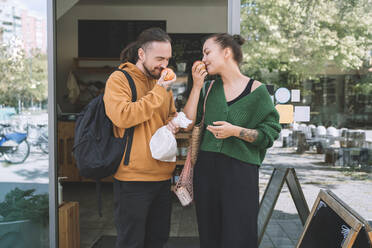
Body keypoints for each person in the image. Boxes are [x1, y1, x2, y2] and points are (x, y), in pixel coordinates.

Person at [183, 33, 281, 247]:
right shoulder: (208, 88)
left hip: (240, 172)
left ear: (226, 52)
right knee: (209, 234)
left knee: (239, 234)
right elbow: (187, 123)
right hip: (206, 171)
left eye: (207, 52)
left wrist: (236, 131)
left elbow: (270, 134)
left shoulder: (258, 92)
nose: (203, 58)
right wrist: (197, 86)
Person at [103, 27, 180, 248]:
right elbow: (123, 117)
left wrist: (173, 123)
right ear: (141, 54)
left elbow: (169, 114)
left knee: (157, 240)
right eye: (159, 58)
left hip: (163, 177)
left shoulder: (161, 82)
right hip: (133, 180)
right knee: (131, 242)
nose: (164, 65)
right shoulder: (119, 79)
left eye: (167, 58)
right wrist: (159, 89)